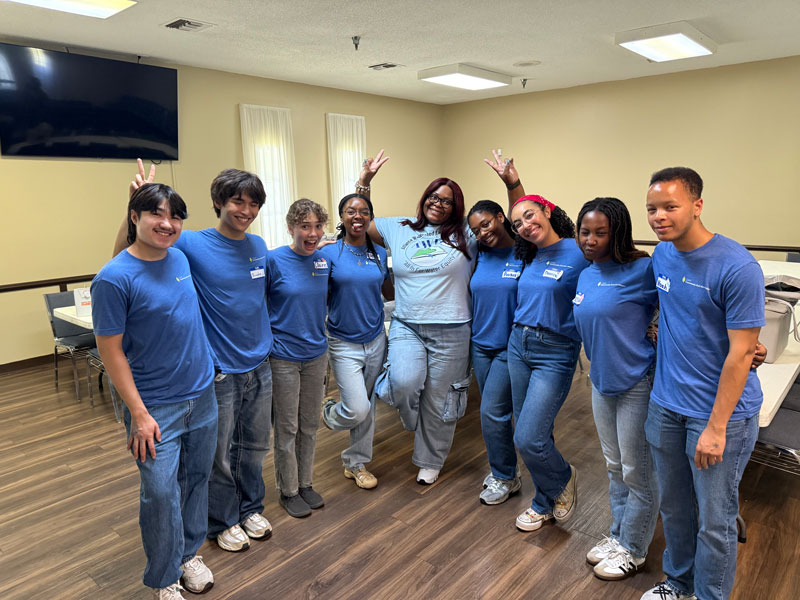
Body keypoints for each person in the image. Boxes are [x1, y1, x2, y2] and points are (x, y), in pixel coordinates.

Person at [121, 161, 274, 554]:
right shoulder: (192, 243)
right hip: (219, 372)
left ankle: (250, 508)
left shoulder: (259, 246)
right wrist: (134, 206)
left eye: (254, 203)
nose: (246, 211)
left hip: (261, 365)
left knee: (254, 445)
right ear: (219, 203)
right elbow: (130, 254)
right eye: (238, 201)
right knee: (218, 456)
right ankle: (221, 521)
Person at [640, 168, 764, 600]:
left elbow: (742, 352)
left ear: (697, 205)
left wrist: (715, 429)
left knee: (715, 521)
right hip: (665, 406)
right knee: (673, 508)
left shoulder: (737, 265)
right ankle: (679, 583)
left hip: (718, 417)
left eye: (670, 207)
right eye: (652, 208)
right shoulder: (662, 254)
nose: (659, 216)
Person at [93, 183, 216, 600]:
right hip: (154, 407)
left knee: (197, 479)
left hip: (202, 395)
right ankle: (164, 578)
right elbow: (111, 354)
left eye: (175, 216)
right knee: (161, 493)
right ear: (134, 218)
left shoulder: (179, 257)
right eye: (155, 214)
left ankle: (188, 555)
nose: (167, 224)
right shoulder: (112, 279)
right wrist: (139, 414)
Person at [484, 150, 588, 532]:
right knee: (531, 428)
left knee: (528, 436)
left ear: (548, 212)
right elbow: (520, 212)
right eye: (519, 222)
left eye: (532, 216)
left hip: (555, 352)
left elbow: (619, 277)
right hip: (518, 345)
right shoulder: (526, 253)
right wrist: (511, 188)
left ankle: (562, 479)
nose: (525, 225)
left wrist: (514, 183)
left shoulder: (581, 251)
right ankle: (545, 501)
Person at [365, 151, 476, 484]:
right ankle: (409, 412)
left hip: (454, 328)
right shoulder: (397, 227)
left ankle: (430, 459)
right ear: (424, 199)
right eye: (433, 197)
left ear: (456, 208)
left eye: (446, 201)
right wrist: (366, 180)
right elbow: (359, 219)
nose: (438, 204)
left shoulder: (467, 234)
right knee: (404, 382)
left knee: (441, 400)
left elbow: (510, 226)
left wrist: (512, 184)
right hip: (407, 324)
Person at [571, 197, 659, 580]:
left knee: (638, 470)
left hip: (637, 381)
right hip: (601, 381)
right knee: (614, 467)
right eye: (585, 232)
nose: (590, 240)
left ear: (617, 233)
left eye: (600, 233)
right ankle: (621, 534)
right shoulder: (588, 272)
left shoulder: (643, 269)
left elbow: (682, 306)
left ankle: (635, 549)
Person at [320, 187, 394, 489]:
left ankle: (356, 463)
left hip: (376, 339)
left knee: (369, 406)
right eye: (351, 211)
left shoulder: (379, 253)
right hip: (342, 342)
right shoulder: (328, 252)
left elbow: (387, 292)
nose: (358, 216)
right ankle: (328, 413)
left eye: (364, 211)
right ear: (342, 217)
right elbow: (320, 296)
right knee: (357, 408)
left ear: (370, 217)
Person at [267, 199, 330, 517]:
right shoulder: (273, 261)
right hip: (284, 358)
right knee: (287, 428)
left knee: (309, 425)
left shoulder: (323, 262)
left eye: (318, 226)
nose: (313, 233)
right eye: (305, 226)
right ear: (291, 227)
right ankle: (288, 490)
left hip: (316, 355)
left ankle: (306, 483)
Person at [466, 200, 522, 504]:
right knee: (496, 414)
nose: (482, 232)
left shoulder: (524, 252)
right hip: (481, 345)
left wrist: (511, 181)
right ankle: (506, 471)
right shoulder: (480, 255)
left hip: (508, 346)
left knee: (492, 411)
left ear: (501, 217)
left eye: (486, 223)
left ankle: (504, 476)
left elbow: (524, 209)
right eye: (476, 229)